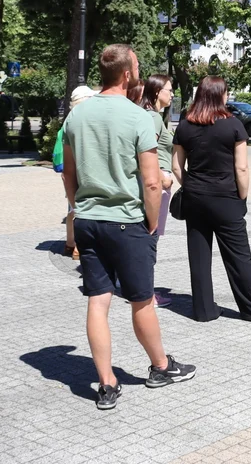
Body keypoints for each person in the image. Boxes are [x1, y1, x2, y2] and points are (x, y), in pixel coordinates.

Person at [61, 44, 196, 410]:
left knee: (97, 300)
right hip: (127, 221)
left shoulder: (76, 116)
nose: (138, 70)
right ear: (126, 73)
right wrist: (152, 221)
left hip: (89, 220)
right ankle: (161, 366)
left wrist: (78, 208)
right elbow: (153, 182)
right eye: (136, 65)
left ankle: (106, 384)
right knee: (141, 301)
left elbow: (68, 173)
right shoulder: (138, 117)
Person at [172, 76, 251, 322]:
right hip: (226, 198)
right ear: (219, 95)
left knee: (199, 256)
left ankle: (203, 310)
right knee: (238, 256)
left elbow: (176, 167)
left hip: (195, 199)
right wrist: (241, 196)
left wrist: (191, 185)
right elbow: (241, 168)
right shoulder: (234, 125)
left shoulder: (184, 126)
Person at [141, 74, 175, 308]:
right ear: (156, 92)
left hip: (157, 183)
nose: (172, 94)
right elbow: (147, 150)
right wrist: (161, 179)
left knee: (148, 237)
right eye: (169, 90)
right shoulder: (152, 117)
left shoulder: (155, 116)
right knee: (150, 238)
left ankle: (143, 290)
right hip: (156, 185)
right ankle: (146, 293)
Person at [54, 85, 95, 259]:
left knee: (72, 209)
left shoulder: (69, 119)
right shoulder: (81, 120)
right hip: (79, 170)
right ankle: (78, 245)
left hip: (69, 170)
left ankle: (70, 243)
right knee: (79, 209)